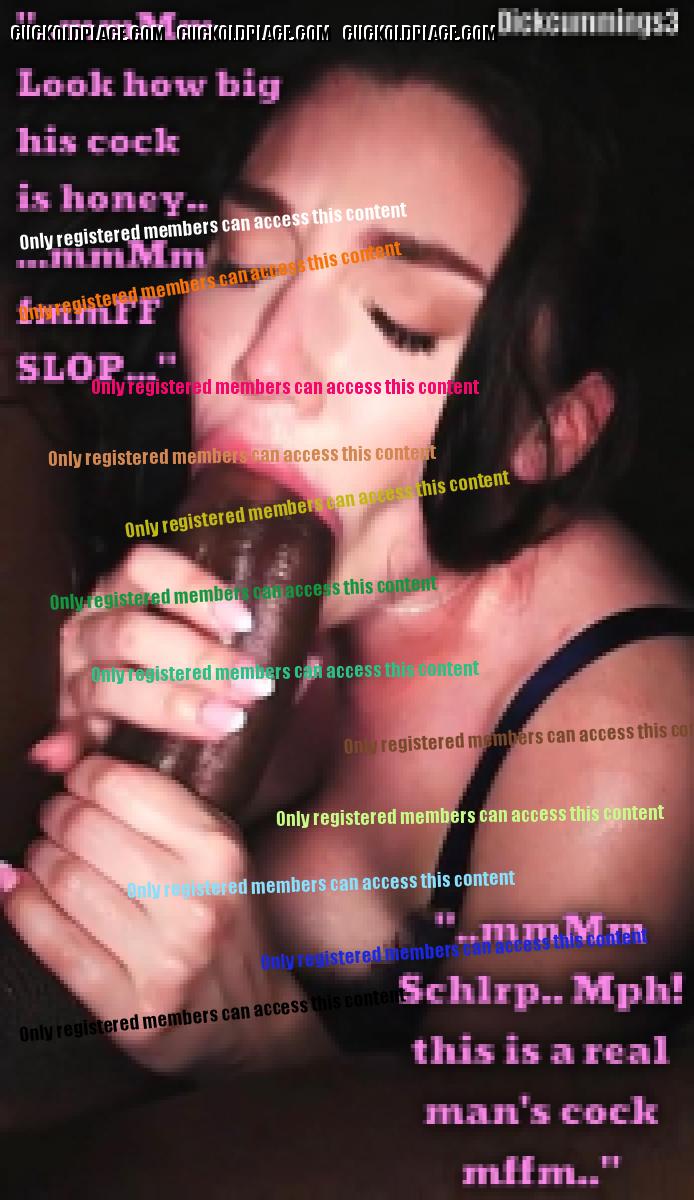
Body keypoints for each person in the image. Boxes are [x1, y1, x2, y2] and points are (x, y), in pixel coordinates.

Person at [4, 48, 692, 1082]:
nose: (262, 364)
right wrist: (83, 757)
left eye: (398, 321)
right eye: (242, 263)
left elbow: (516, 1147)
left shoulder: (624, 753)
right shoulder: (205, 553)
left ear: (545, 434)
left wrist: (259, 1039)